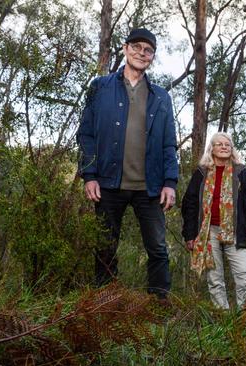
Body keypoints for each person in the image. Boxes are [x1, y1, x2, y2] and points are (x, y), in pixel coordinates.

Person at [76, 28, 178, 299]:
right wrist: (89, 175)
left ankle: (158, 305)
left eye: (148, 50)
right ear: (125, 48)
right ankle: (105, 303)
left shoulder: (161, 97)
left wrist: (170, 182)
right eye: (136, 47)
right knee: (105, 246)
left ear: (152, 57)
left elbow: (169, 143)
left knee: (157, 248)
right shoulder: (100, 87)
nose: (141, 53)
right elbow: (86, 134)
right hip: (108, 183)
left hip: (150, 187)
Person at [181, 132, 246, 310]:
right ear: (212, 149)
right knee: (215, 279)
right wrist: (189, 234)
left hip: (236, 232)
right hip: (208, 232)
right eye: (220, 144)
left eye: (227, 144)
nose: (224, 147)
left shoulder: (241, 172)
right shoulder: (201, 173)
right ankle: (222, 319)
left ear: (231, 149)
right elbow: (190, 204)